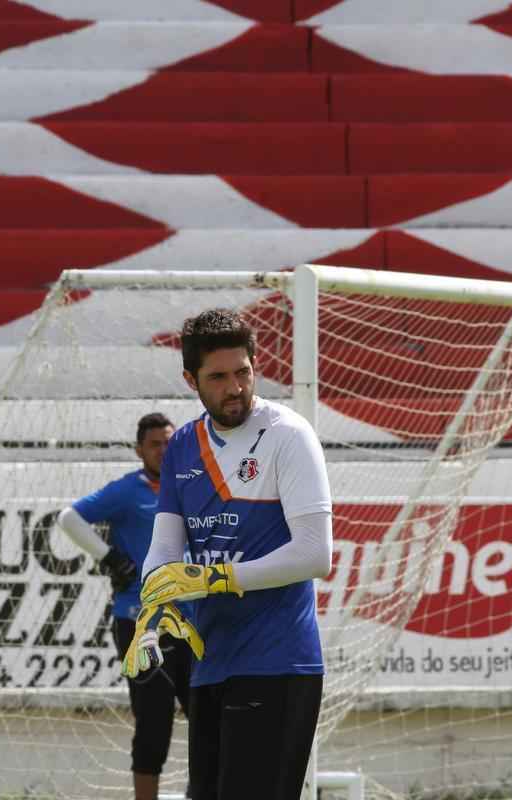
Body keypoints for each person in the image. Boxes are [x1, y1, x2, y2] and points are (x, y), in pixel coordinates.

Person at [121, 308, 334, 800]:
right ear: (190, 380)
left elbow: (315, 554)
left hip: (278, 663)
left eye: (243, 371)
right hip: (211, 661)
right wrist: (153, 605)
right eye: (218, 377)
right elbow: (164, 547)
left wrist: (217, 578)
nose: (235, 387)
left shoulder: (288, 434)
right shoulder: (181, 446)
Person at [57, 412, 193, 800]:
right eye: (155, 444)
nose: (163, 450)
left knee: (207, 722)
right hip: (141, 625)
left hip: (191, 624)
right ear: (139, 450)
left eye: (169, 443)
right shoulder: (127, 491)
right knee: (154, 723)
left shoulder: (192, 488)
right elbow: (69, 518)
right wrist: (110, 558)